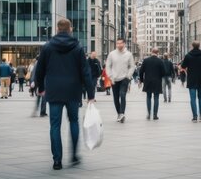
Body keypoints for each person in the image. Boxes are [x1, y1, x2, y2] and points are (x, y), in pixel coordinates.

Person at [35, 19, 94, 170]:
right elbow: (85, 72)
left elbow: (40, 69)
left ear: (57, 29)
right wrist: (90, 94)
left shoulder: (48, 47)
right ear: (70, 29)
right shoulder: (78, 47)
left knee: (55, 125)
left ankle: (57, 160)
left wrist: (40, 87)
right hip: (73, 90)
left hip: (54, 90)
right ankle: (74, 156)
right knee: (74, 122)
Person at [106, 38, 135, 123]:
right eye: (117, 43)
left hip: (124, 79)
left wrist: (128, 76)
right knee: (115, 98)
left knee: (122, 95)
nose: (119, 45)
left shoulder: (129, 54)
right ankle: (119, 114)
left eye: (120, 43)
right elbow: (108, 66)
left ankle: (122, 113)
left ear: (124, 44)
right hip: (114, 79)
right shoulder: (112, 54)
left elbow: (132, 66)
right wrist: (110, 76)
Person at [181, 41, 201, 122]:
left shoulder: (188, 56)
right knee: (200, 97)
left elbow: (183, 66)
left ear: (192, 46)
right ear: (199, 46)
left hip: (191, 79)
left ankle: (195, 116)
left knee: (193, 98)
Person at [139, 48, 166, 120]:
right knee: (156, 98)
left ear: (151, 52)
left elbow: (141, 71)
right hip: (157, 81)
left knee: (148, 97)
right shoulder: (160, 61)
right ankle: (155, 115)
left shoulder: (146, 60)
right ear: (158, 53)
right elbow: (164, 73)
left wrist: (141, 80)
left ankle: (148, 113)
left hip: (148, 81)